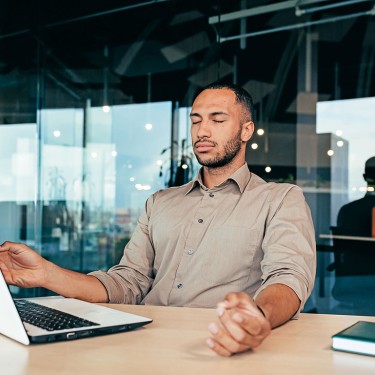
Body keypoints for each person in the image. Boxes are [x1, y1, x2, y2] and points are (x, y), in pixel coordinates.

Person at [0, 82, 316, 357]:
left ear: (246, 130)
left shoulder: (280, 199)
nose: (202, 131)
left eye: (218, 119)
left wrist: (257, 317)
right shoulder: (160, 202)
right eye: (196, 121)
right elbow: (127, 283)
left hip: (219, 346)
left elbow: (288, 278)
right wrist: (45, 273)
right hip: (142, 343)